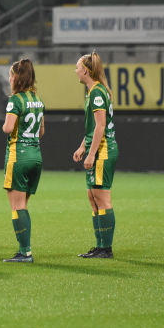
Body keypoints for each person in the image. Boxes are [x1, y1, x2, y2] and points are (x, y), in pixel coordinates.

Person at [73, 51, 118, 259]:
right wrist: (83, 146)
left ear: (86, 70)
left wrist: (91, 154)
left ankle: (106, 249)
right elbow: (93, 128)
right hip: (96, 148)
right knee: (93, 197)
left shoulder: (97, 93)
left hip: (103, 149)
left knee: (102, 197)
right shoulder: (93, 91)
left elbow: (100, 127)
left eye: (77, 67)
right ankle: (100, 245)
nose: (75, 70)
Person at [2, 59, 45, 263]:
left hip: (18, 155)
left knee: (17, 206)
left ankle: (25, 252)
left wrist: (7, 121)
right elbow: (42, 130)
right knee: (23, 205)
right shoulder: (37, 99)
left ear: (17, 77)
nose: (9, 79)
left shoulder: (15, 100)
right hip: (36, 155)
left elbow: (8, 128)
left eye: (11, 75)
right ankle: (24, 250)